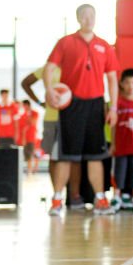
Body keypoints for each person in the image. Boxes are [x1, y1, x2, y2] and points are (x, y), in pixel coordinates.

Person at [43, 4, 119, 216]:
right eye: (84, 16)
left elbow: (112, 78)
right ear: (78, 18)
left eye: (92, 15)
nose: (88, 19)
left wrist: (113, 107)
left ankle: (100, 199)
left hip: (96, 105)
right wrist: (50, 91)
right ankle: (57, 200)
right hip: (71, 105)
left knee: (96, 156)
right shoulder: (66, 42)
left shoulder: (104, 46)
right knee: (66, 156)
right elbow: (48, 69)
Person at [23, 65, 83, 210]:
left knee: (75, 158)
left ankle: (74, 196)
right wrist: (39, 102)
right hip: (52, 119)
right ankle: (57, 195)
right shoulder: (48, 68)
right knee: (54, 158)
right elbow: (26, 83)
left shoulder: (77, 67)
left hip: (74, 118)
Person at [112, 68, 133, 212]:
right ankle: (117, 196)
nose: (131, 86)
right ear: (121, 84)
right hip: (121, 146)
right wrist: (112, 143)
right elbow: (112, 126)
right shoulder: (117, 103)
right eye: (127, 82)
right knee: (119, 172)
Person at [18, 99, 40, 175]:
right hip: (25, 139)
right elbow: (22, 128)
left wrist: (28, 116)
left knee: (31, 154)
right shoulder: (22, 115)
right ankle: (30, 170)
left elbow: (33, 122)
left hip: (32, 137)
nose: (24, 107)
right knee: (28, 155)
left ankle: (31, 171)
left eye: (24, 106)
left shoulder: (34, 113)